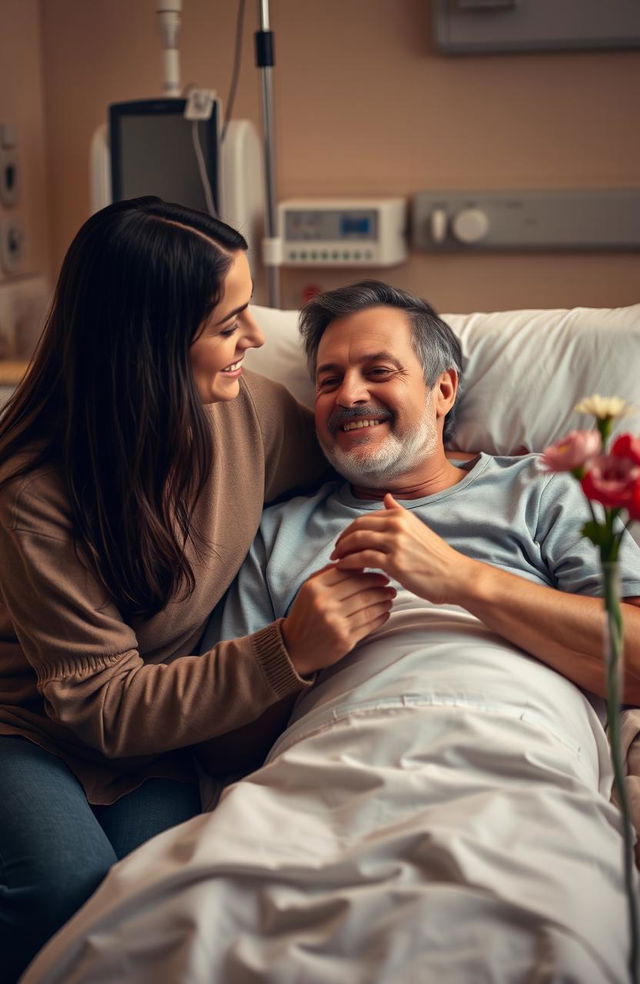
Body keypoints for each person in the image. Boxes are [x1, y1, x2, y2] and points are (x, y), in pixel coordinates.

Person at [19, 280, 640, 983]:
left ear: (443, 391)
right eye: (328, 379)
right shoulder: (275, 527)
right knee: (147, 944)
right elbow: (221, 750)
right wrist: (296, 650)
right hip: (324, 770)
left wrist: (464, 581)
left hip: (508, 753)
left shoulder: (546, 491)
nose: (348, 394)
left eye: (378, 371)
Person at [0, 202, 394, 982]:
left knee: (167, 901)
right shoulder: (35, 493)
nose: (255, 337)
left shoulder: (247, 418)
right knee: (65, 892)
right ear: (149, 345)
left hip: (156, 744)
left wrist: (487, 472)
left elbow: (363, 455)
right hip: (32, 724)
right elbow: (101, 704)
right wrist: (285, 652)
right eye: (230, 321)